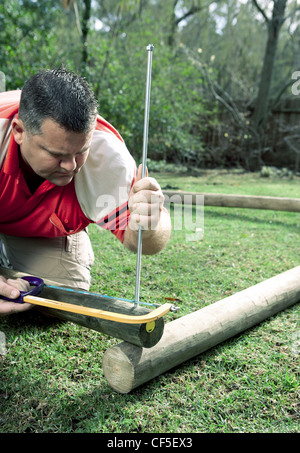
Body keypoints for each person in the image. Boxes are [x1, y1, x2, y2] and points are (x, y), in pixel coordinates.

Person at [0, 68, 171, 317]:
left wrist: (150, 221)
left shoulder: (108, 158)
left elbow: (144, 243)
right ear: (19, 132)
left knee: (64, 295)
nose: (71, 166)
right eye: (56, 154)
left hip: (39, 234)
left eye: (81, 150)